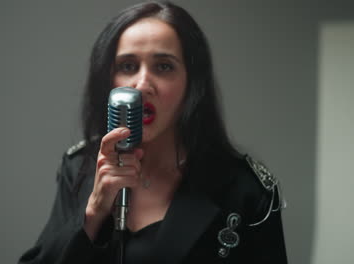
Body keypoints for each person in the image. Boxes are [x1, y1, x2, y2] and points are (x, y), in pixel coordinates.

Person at [18, 1, 288, 263]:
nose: (142, 85)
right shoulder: (79, 168)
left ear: (192, 84)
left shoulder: (245, 189)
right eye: (127, 66)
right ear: (108, 79)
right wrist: (94, 211)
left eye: (163, 67)